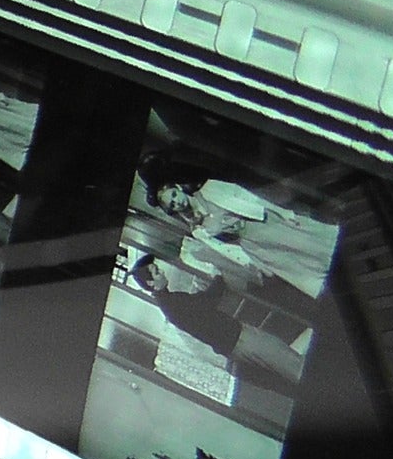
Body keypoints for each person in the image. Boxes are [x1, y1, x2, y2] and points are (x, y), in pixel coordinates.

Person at [138, 155, 340, 300]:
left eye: (174, 195)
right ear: (171, 210)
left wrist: (283, 212)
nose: (177, 202)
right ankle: (336, 285)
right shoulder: (197, 230)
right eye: (172, 204)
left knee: (310, 246)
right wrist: (256, 263)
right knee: (300, 267)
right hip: (253, 246)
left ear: (179, 188)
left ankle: (342, 257)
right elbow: (225, 249)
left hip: (262, 224)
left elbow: (249, 198)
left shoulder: (210, 189)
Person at [127, 255, 308, 385]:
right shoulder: (172, 304)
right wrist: (218, 277)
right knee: (285, 359)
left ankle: (313, 380)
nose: (162, 272)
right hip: (237, 339)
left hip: (235, 338)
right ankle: (317, 382)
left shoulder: (170, 301)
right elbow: (207, 301)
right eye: (156, 272)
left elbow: (200, 303)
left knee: (282, 356)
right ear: (151, 283)